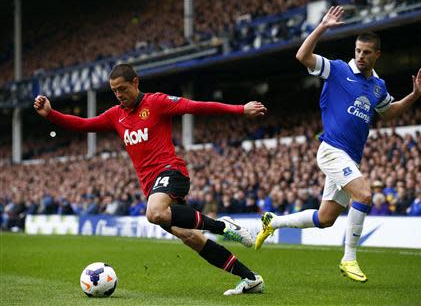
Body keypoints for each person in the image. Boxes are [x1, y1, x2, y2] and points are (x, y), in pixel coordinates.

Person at [34, 63, 267, 295]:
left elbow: (196, 106)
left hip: (171, 172)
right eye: (114, 91)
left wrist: (240, 109)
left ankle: (224, 226)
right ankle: (250, 278)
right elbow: (84, 124)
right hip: (153, 187)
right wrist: (51, 114)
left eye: (122, 89)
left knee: (154, 213)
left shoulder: (156, 102)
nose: (119, 95)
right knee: (190, 237)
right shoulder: (116, 115)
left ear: (135, 82)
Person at [254, 6, 421, 283]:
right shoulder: (337, 69)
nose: (361, 56)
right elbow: (302, 56)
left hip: (351, 157)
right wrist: (323, 26)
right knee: (364, 195)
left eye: (367, 52)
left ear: (377, 55)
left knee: (325, 219)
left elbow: (389, 112)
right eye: (358, 50)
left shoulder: (378, 86)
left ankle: (272, 222)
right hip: (332, 151)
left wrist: (414, 96)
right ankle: (349, 259)